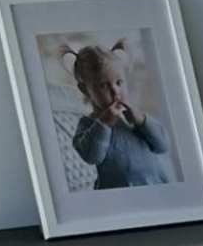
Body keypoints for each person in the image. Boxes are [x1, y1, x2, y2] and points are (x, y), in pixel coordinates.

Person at [66, 40, 173, 193]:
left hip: (156, 184)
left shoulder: (135, 116)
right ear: (85, 89)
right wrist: (104, 123)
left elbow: (162, 146)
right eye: (103, 85)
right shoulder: (88, 124)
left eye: (119, 82)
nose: (115, 91)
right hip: (121, 192)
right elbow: (92, 157)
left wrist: (142, 121)